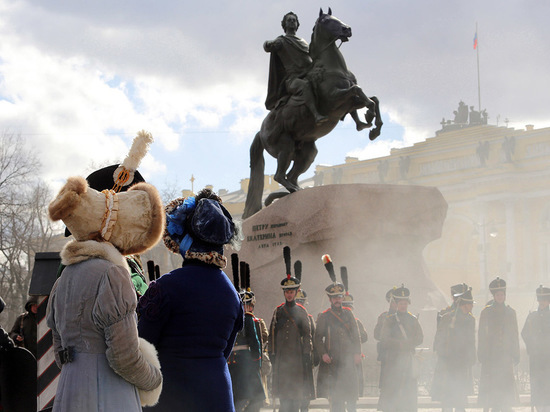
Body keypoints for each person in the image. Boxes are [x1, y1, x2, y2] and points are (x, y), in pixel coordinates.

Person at [47, 166, 164, 411]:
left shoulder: (63, 279)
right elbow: (124, 358)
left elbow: (60, 353)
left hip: (69, 390)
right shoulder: (112, 274)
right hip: (109, 393)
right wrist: (155, 379)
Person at [138, 188, 244, 411]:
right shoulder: (232, 295)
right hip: (218, 396)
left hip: (172, 397)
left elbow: (141, 345)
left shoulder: (166, 287)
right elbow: (225, 351)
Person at [268, 246, 314, 412]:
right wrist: (272, 354)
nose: (289, 294)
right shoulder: (278, 311)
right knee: (284, 399)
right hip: (281, 359)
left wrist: (307, 354)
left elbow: (307, 335)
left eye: (292, 291)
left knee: (295, 397)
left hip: (297, 360)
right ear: (284, 292)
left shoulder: (302, 312)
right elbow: (271, 335)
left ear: (296, 292)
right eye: (287, 291)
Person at [264, 11, 328, 125]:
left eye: (294, 20)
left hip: (309, 73)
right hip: (293, 80)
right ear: (285, 25)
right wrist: (267, 43)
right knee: (304, 86)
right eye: (289, 20)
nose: (292, 22)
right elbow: (268, 47)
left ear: (297, 24)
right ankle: (316, 115)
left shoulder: (303, 42)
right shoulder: (282, 41)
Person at [315, 257, 362, 412]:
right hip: (333, 361)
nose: (337, 300)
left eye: (339, 297)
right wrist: (323, 354)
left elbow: (356, 336)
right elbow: (317, 338)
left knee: (352, 399)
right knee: (337, 400)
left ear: (342, 297)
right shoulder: (325, 316)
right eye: (334, 297)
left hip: (349, 360)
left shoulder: (349, 314)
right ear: (330, 299)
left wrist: (357, 353)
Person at [228, 255, 265, 412]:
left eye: (246, 305)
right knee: (236, 398)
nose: (244, 308)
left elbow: (255, 342)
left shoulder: (249, 319)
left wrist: (256, 363)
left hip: (246, 364)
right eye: (242, 304)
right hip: (233, 364)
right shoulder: (230, 318)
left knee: (255, 398)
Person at [377, 285, 423, 412]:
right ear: (396, 304)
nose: (403, 305)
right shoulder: (389, 320)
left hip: (408, 360)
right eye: (401, 303)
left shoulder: (413, 319)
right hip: (393, 361)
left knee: (408, 393)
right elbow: (384, 339)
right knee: (393, 391)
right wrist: (400, 344)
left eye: (405, 303)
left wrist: (408, 344)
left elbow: (420, 338)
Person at [477, 277, 519, 412]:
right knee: (491, 390)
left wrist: (516, 354)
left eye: (502, 294)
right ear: (494, 296)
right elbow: (481, 335)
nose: (500, 297)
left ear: (505, 296)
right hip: (491, 357)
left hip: (505, 356)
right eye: (497, 295)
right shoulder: (486, 312)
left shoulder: (510, 312)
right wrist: (481, 354)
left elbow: (514, 335)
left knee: (506, 389)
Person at [431, 288, 476, 411]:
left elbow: (471, 341)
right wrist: (445, 355)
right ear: (465, 304)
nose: (472, 306)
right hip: (448, 362)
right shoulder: (448, 318)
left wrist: (472, 357)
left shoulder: (470, 319)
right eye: (470, 303)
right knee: (447, 397)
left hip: (462, 362)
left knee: (460, 397)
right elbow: (440, 338)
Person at [521, 285, 550, 412]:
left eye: (544, 299)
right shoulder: (532, 316)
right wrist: (531, 347)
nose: (542, 302)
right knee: (538, 387)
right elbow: (524, 333)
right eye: (540, 299)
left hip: (548, 358)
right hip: (536, 359)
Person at [340, 268, 368, 398]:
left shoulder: (357, 322)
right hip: (340, 356)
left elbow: (364, 337)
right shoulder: (334, 321)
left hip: (353, 354)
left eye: (349, 307)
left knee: (355, 386)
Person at [295, 260, 317, 411]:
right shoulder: (284, 314)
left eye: (302, 301)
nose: (300, 303)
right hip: (292, 359)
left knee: (305, 393)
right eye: (298, 301)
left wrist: (313, 356)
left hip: (305, 358)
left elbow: (313, 337)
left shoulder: (309, 318)